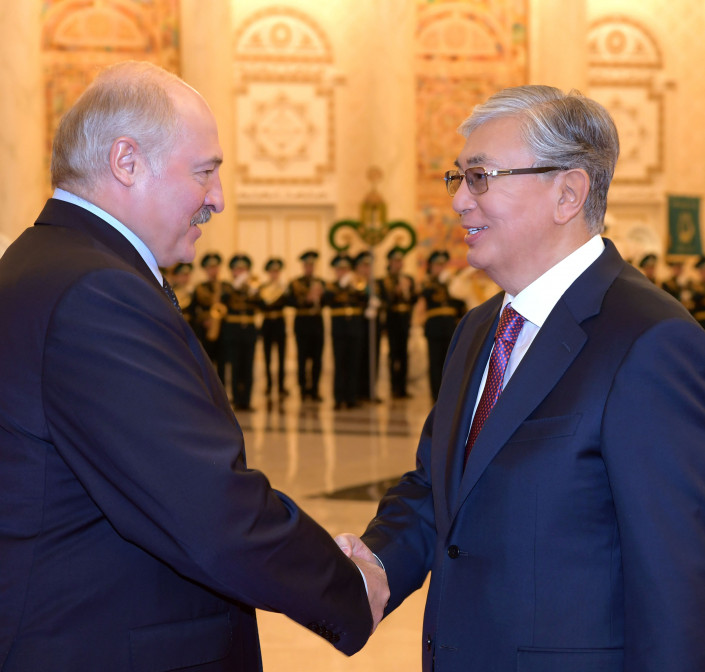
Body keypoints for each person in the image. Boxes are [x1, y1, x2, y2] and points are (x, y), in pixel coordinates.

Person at [0, 61, 388, 672]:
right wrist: (349, 589)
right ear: (126, 162)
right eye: (204, 171)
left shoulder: (49, 262)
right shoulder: (97, 290)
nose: (218, 198)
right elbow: (208, 508)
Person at [336, 85, 705, 671]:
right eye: (458, 178)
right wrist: (377, 565)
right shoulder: (480, 328)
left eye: (480, 178)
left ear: (568, 193)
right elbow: (439, 486)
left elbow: (677, 582)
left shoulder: (649, 340)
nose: (459, 201)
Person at [419, 249, 465, 401]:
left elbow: (460, 302)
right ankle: (436, 395)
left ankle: (449, 394)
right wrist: (440, 282)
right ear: (431, 267)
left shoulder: (451, 282)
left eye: (442, 265)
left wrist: (451, 283)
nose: (440, 268)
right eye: (437, 265)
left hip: (450, 327)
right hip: (434, 327)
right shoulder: (427, 282)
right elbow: (425, 294)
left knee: (450, 362)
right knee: (435, 362)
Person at [323, 254, 366, 409]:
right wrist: (342, 285)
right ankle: (338, 397)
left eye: (346, 269)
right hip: (339, 330)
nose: (343, 272)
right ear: (335, 271)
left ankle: (352, 397)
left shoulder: (356, 285)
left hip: (355, 328)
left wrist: (356, 287)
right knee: (339, 364)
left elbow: (365, 299)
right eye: (340, 269)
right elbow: (326, 299)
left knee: (354, 363)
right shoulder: (331, 286)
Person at [219, 254, 259, 411]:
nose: (241, 273)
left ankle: (246, 401)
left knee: (248, 368)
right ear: (232, 271)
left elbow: (262, 304)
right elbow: (223, 300)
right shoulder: (227, 287)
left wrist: (255, 292)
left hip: (249, 332)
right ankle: (236, 399)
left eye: (244, 270)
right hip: (233, 332)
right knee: (235, 367)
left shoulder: (252, 288)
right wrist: (235, 286)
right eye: (238, 269)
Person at [286, 250, 326, 401]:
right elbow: (289, 301)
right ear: (303, 266)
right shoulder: (295, 283)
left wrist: (320, 297)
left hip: (317, 324)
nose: (309, 268)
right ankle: (303, 389)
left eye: (312, 265)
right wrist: (306, 299)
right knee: (302, 358)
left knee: (317, 359)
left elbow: (329, 300)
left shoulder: (321, 283)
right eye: (307, 265)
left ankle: (315, 389)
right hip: (302, 324)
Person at [378, 246, 417, 399]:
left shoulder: (408, 279)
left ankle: (403, 387)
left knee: (404, 354)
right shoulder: (384, 281)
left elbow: (413, 300)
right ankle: (393, 386)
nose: (398, 264)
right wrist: (397, 291)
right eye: (395, 261)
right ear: (390, 262)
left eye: (400, 261)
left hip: (404, 319)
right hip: (392, 319)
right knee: (393, 354)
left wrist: (409, 290)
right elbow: (385, 301)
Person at [258, 257, 289, 398]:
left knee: (282, 356)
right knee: (267, 357)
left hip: (280, 323)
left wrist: (285, 291)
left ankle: (281, 385)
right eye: (272, 272)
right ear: (268, 273)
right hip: (267, 324)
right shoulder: (263, 288)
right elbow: (260, 305)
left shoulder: (283, 288)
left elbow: (289, 302)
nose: (274, 274)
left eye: (276, 272)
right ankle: (269, 385)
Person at [189, 251, 226, 365]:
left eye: (215, 267)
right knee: (207, 362)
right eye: (210, 268)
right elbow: (193, 310)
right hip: (205, 329)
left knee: (222, 362)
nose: (213, 271)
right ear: (205, 270)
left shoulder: (225, 286)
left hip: (223, 329)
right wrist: (203, 321)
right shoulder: (199, 288)